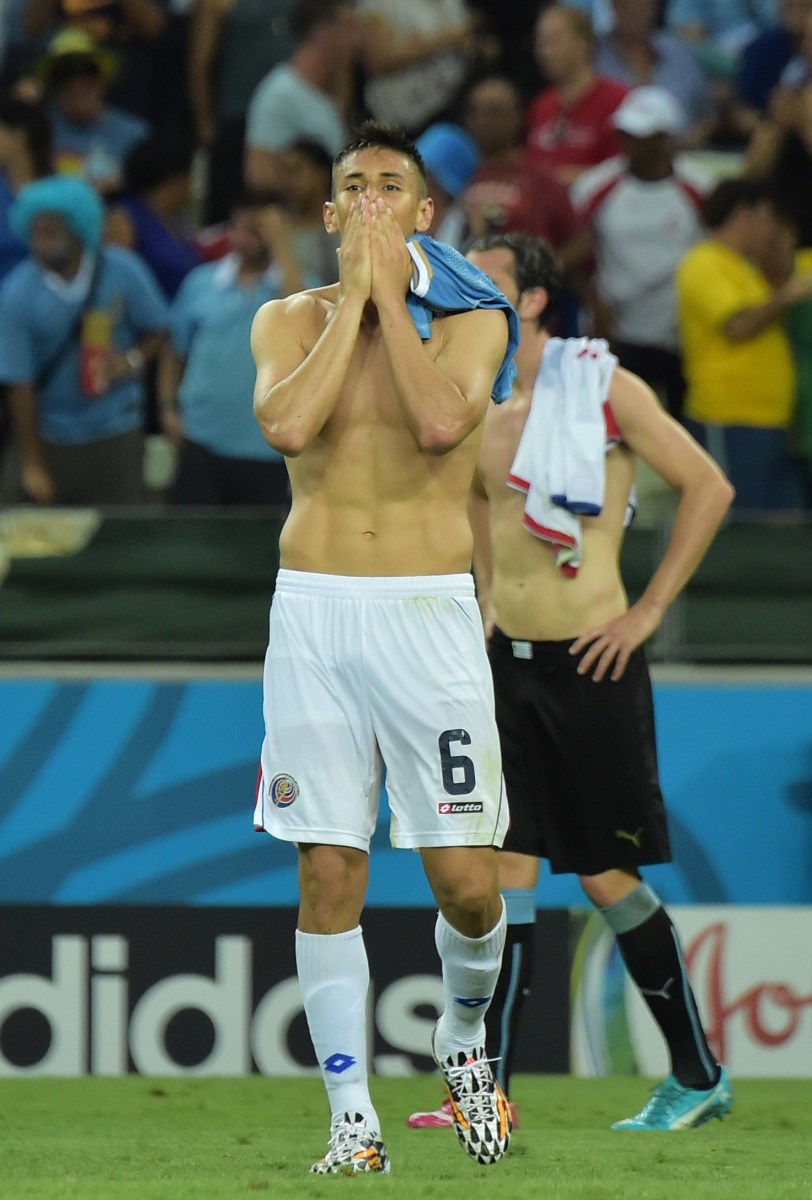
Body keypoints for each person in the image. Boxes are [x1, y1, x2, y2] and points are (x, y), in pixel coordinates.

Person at [408, 231, 735, 1133]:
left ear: (533, 301)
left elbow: (708, 486)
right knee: (503, 874)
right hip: (507, 666)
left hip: (593, 663)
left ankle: (699, 1075)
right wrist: (484, 596)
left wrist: (646, 611)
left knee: (602, 876)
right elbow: (479, 501)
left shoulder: (602, 387)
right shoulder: (473, 400)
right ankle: (488, 1096)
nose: (458, 291)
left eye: (485, 279)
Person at [251, 121, 516, 1175]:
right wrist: (353, 300)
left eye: (388, 187)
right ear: (329, 214)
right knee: (327, 870)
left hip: (425, 615)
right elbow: (286, 427)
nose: (369, 200)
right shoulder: (285, 319)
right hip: (313, 612)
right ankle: (351, 1122)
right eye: (353, 187)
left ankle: (462, 1039)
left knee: (466, 883)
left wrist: (387, 301)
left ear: (423, 213)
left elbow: (443, 425)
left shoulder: (472, 321)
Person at [0, 174, 168, 504]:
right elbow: (20, 385)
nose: (41, 243)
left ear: (79, 230)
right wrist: (33, 463)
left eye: (51, 232)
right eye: (35, 233)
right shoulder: (17, 293)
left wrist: (129, 360)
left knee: (120, 529)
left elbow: (160, 328)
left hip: (116, 430)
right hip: (50, 435)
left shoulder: (122, 270)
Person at [571, 86, 707, 421]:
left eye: (640, 136)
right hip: (618, 331)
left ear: (664, 139)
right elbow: (573, 253)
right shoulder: (594, 188)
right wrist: (591, 300)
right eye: (625, 133)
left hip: (680, 334)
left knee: (678, 432)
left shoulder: (700, 189)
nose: (629, 143)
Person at [676, 178, 812, 511]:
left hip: (775, 422)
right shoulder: (704, 262)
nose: (770, 228)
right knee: (742, 523)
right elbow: (737, 326)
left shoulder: (748, 269)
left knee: (785, 523)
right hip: (730, 419)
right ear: (743, 213)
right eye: (767, 217)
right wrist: (788, 295)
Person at [162, 195, 302, 506]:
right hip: (200, 442)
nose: (245, 238)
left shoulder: (300, 289)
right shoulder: (201, 282)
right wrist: (169, 409)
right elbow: (174, 351)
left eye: (258, 230)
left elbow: (298, 324)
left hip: (270, 452)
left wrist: (282, 246)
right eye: (240, 228)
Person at [243, 0, 358, 196]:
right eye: (348, 28)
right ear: (320, 32)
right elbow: (258, 176)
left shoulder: (331, 94)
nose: (356, 39)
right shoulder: (279, 96)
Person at [526, 4, 628, 187]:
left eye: (554, 41)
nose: (545, 52)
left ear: (584, 44)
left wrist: (571, 177)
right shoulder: (541, 106)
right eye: (541, 43)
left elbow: (625, 170)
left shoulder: (618, 101)